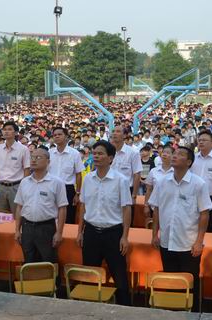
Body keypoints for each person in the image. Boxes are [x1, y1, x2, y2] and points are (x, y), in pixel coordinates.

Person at [149, 146, 212, 312]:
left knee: (190, 283)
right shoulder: (162, 182)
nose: (175, 156)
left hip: (188, 244)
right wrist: (154, 234)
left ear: (189, 162)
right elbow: (156, 209)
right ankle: (173, 312)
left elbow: (204, 214)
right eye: (174, 153)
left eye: (180, 154)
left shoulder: (198, 184)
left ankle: (193, 313)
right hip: (166, 242)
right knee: (171, 281)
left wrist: (199, 242)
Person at [77, 140, 132, 305]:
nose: (96, 156)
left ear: (110, 158)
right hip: (91, 232)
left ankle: (124, 309)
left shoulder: (120, 180)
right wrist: (80, 232)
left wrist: (125, 236)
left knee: (119, 275)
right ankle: (90, 308)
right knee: (90, 275)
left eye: (100, 153)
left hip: (113, 233)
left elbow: (126, 209)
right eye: (94, 153)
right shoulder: (88, 179)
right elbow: (83, 206)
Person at [14, 147, 68, 263]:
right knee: (29, 261)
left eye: (38, 157)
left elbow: (62, 208)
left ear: (48, 161)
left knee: (48, 261)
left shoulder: (57, 182)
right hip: (27, 226)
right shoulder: (24, 182)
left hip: (46, 227)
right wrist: (17, 230)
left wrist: (59, 232)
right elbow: (19, 206)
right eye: (32, 157)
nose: (34, 160)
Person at [0, 121, 30, 214]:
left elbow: (26, 170)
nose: (6, 132)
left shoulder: (23, 149)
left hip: (16, 187)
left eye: (9, 129)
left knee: (17, 215)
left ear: (16, 133)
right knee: (0, 215)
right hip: (0, 187)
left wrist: (24, 187)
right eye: (4, 129)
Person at [48, 127, 84, 224]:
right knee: (51, 215)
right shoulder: (49, 153)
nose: (57, 136)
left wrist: (77, 193)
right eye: (55, 135)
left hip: (67, 189)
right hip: (51, 188)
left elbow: (79, 174)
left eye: (60, 134)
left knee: (68, 217)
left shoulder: (74, 154)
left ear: (66, 137)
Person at [110, 127, 142, 202]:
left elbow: (137, 174)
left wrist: (134, 195)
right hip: (110, 190)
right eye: (113, 131)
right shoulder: (108, 152)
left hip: (127, 191)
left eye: (118, 131)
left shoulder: (133, 152)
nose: (114, 133)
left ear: (124, 135)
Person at [143, 144, 174, 220]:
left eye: (168, 152)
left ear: (173, 156)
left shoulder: (176, 172)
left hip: (171, 208)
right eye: (163, 152)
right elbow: (149, 190)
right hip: (154, 207)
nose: (164, 154)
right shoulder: (154, 171)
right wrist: (146, 205)